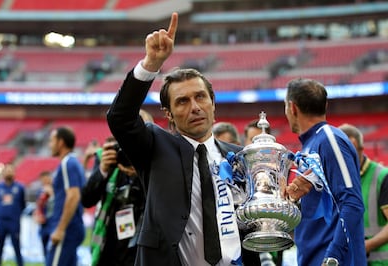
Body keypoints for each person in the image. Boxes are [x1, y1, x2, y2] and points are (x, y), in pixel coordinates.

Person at [107, 12, 261, 266]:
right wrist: (150, 65)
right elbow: (120, 118)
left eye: (200, 97)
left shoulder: (240, 157)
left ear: (213, 103)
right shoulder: (155, 146)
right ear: (168, 114)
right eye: (182, 101)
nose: (195, 107)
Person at [283, 78, 367, 265]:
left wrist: (333, 256)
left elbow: (352, 203)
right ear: (325, 105)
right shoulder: (311, 146)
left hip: (331, 259)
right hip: (313, 257)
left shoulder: (329, 139)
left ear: (292, 108)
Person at [81, 135, 146, 266]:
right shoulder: (109, 162)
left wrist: (141, 174)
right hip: (109, 245)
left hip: (139, 246)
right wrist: (103, 170)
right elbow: (87, 199)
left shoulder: (152, 164)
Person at [339, 123, 388, 265]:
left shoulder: (382, 176)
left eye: (352, 151)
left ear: (361, 149)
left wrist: (365, 246)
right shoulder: (337, 178)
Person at [46, 126, 86, 266]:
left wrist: (60, 229)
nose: (49, 145)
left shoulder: (67, 163)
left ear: (61, 142)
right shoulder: (74, 163)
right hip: (72, 227)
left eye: (51, 140)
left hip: (66, 230)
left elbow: (73, 196)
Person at [0, 163, 26, 266]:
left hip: (14, 223)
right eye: (6, 170)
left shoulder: (20, 187)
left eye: (10, 170)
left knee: (17, 249)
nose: (9, 172)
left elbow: (23, 204)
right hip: (1, 223)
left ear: (14, 172)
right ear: (3, 173)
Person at [33, 170, 54, 259]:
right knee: (44, 245)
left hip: (53, 222)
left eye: (47, 179)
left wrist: (51, 194)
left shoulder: (56, 190)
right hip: (43, 223)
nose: (45, 181)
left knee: (53, 246)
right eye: (43, 179)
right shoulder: (39, 192)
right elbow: (38, 206)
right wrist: (37, 216)